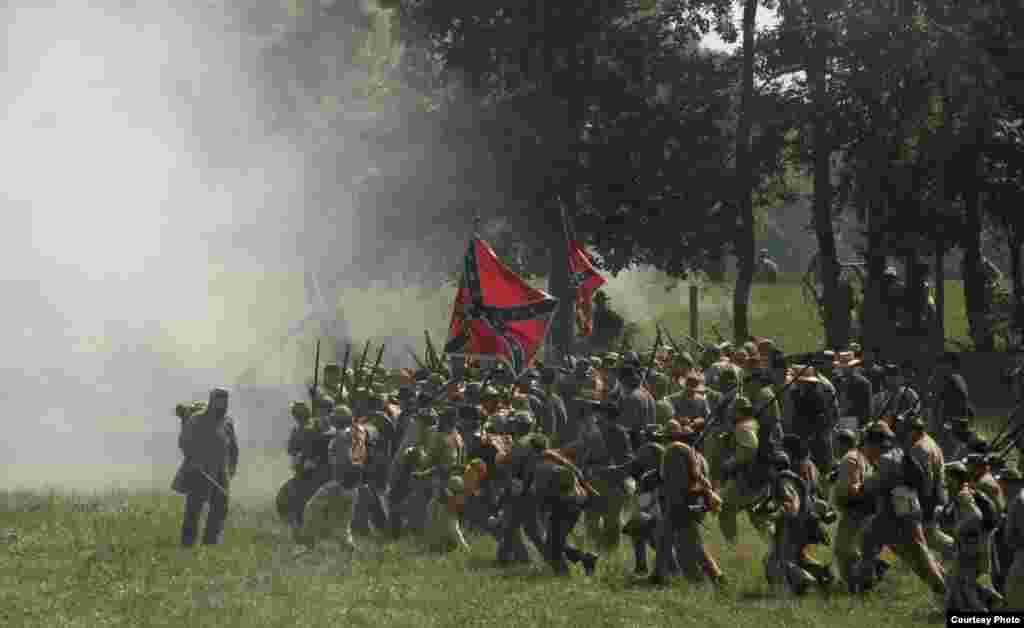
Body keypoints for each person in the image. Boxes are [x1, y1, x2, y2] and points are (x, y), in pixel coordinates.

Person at [175, 388, 239, 548]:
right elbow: (184, 442)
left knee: (220, 507)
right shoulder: (197, 419)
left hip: (220, 471)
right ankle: (187, 544)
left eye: (225, 402)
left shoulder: (227, 422)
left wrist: (232, 468)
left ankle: (210, 542)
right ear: (212, 401)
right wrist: (193, 458)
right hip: (200, 470)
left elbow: (233, 448)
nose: (222, 405)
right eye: (219, 401)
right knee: (194, 509)